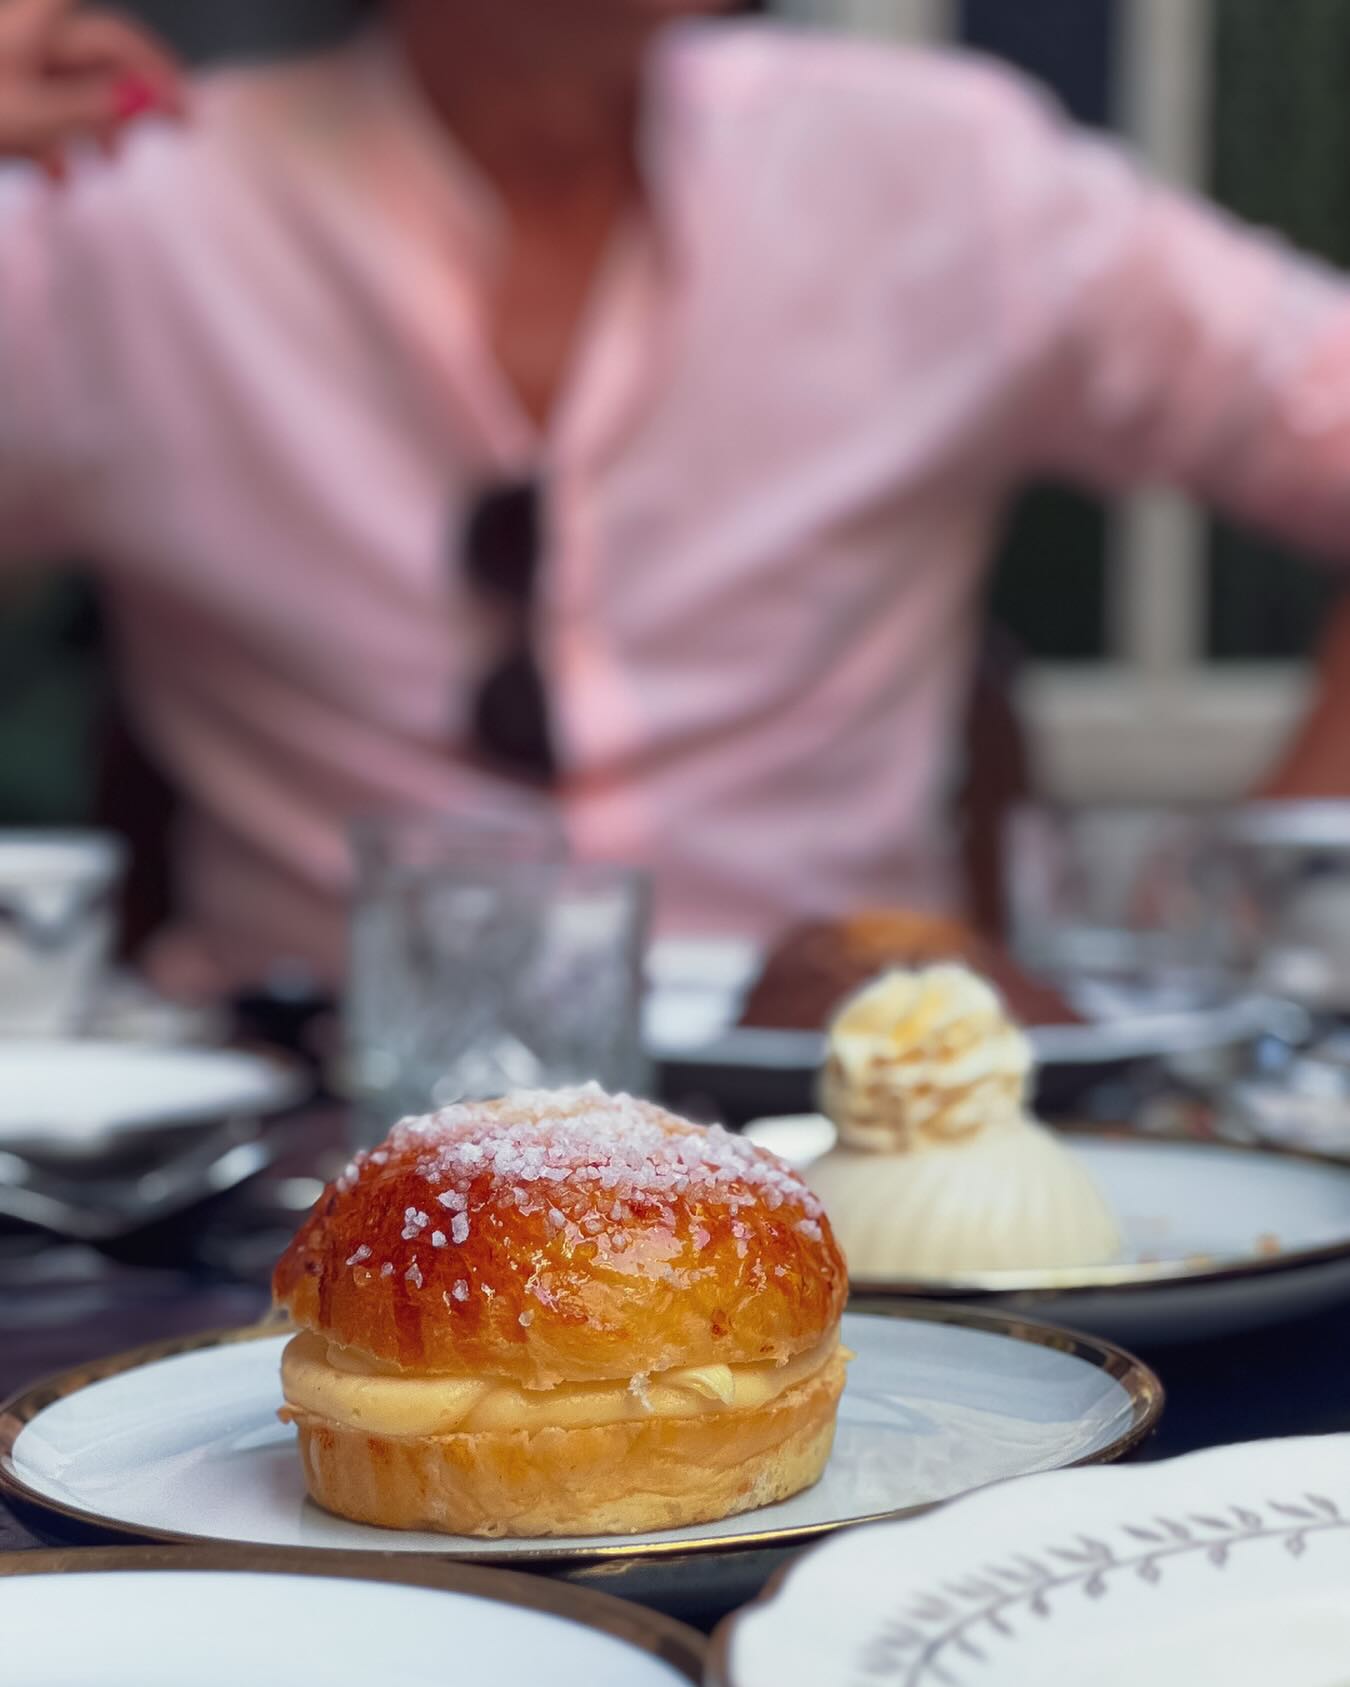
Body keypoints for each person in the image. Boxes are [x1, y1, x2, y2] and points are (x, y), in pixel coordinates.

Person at [5, 0, 1350, 995]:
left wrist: (1261, 903)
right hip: (319, 1159)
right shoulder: (119, 213)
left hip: (863, 1137)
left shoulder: (942, 174)